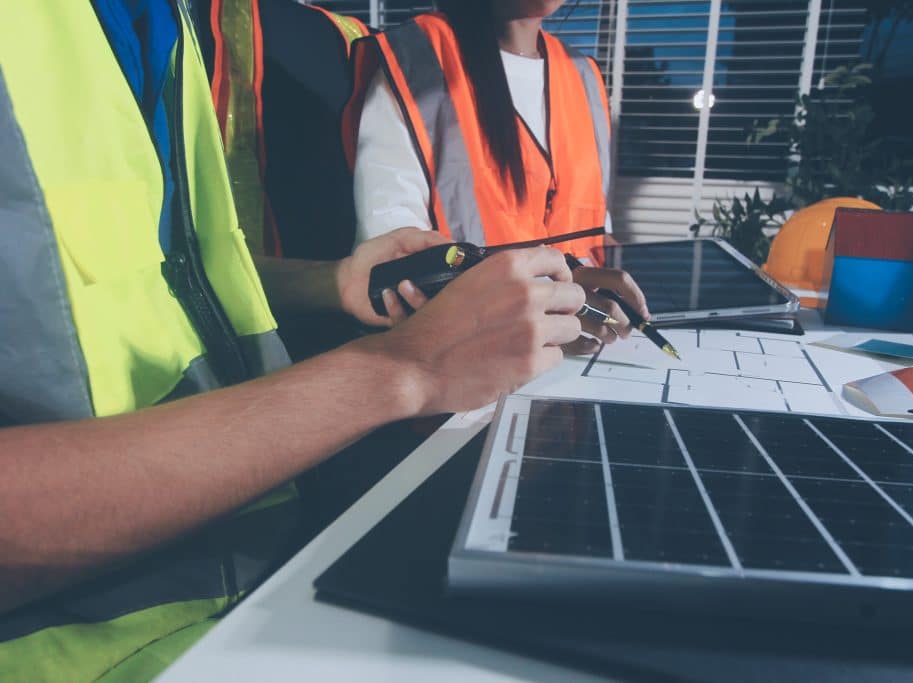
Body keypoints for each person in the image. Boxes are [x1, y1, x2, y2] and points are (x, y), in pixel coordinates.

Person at [0, 2, 586, 680]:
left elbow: (156, 277)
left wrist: (332, 281)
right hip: (88, 652)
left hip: (264, 575)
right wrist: (399, 371)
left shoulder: (163, 24)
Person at [346, 0, 650, 355]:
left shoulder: (583, 75)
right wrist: (549, 295)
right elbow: (392, 269)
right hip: (471, 365)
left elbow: (595, 230)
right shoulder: (419, 62)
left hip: (590, 353)